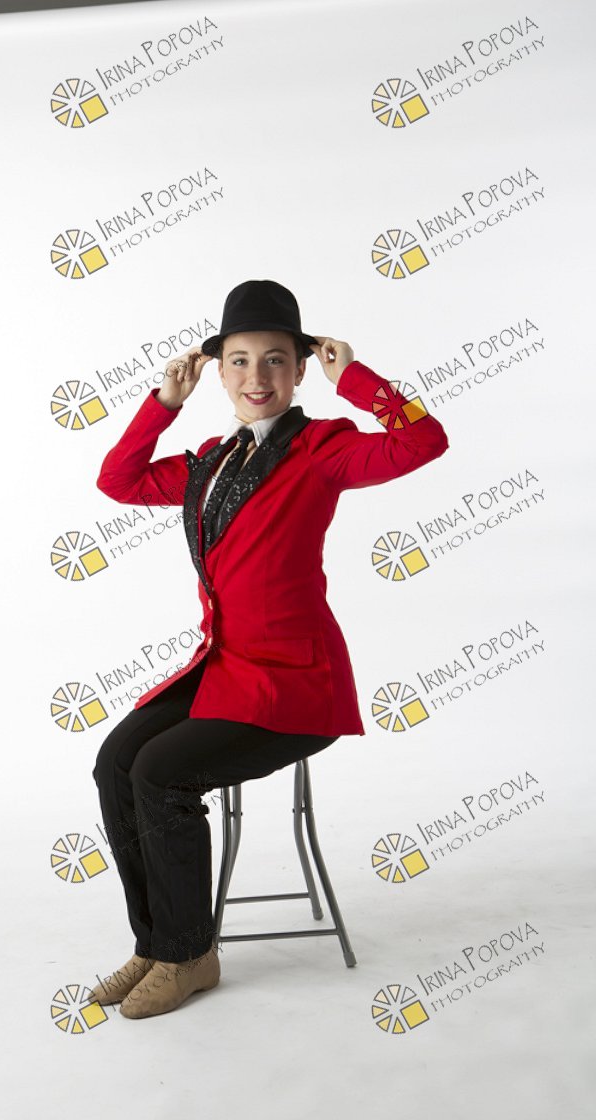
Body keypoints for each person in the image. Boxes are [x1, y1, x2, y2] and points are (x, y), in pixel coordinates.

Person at [89, 279, 449, 1020]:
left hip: (296, 685)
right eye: (241, 361)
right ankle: (157, 944)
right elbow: (117, 480)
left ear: (300, 368)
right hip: (225, 668)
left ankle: (192, 954)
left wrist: (357, 379)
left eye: (277, 360)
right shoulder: (210, 462)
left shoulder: (322, 449)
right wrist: (163, 404)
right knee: (116, 762)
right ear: (219, 371)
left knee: (160, 772)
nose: (258, 377)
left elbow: (424, 441)